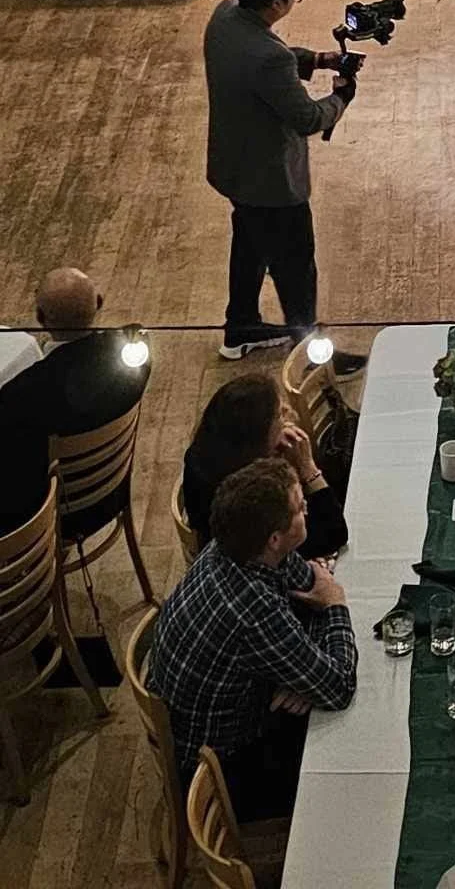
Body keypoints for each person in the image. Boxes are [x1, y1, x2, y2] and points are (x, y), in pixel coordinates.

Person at [149, 457, 357, 821]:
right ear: (275, 538)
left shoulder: (234, 546)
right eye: (298, 507)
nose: (306, 506)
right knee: (349, 759)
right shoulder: (252, 607)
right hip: (225, 763)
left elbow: (307, 584)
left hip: (226, 704)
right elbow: (339, 686)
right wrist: (335, 605)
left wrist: (301, 671)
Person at [204, 0, 362, 367]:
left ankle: (241, 327)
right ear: (277, 2)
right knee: (296, 270)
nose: (295, 0)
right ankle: (312, 355)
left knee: (250, 246)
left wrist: (317, 59)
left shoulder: (224, 16)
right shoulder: (269, 57)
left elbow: (261, 60)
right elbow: (308, 117)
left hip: (233, 169)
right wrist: (341, 96)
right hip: (272, 184)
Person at [0, 266, 152, 534]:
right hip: (110, 490)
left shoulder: (22, 395)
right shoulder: (135, 359)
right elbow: (135, 333)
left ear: (39, 317)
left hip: (54, 518)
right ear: (100, 302)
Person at [182, 374, 348, 561]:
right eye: (278, 415)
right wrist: (307, 467)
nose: (287, 412)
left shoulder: (203, 451)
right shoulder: (255, 496)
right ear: (256, 436)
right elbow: (333, 534)